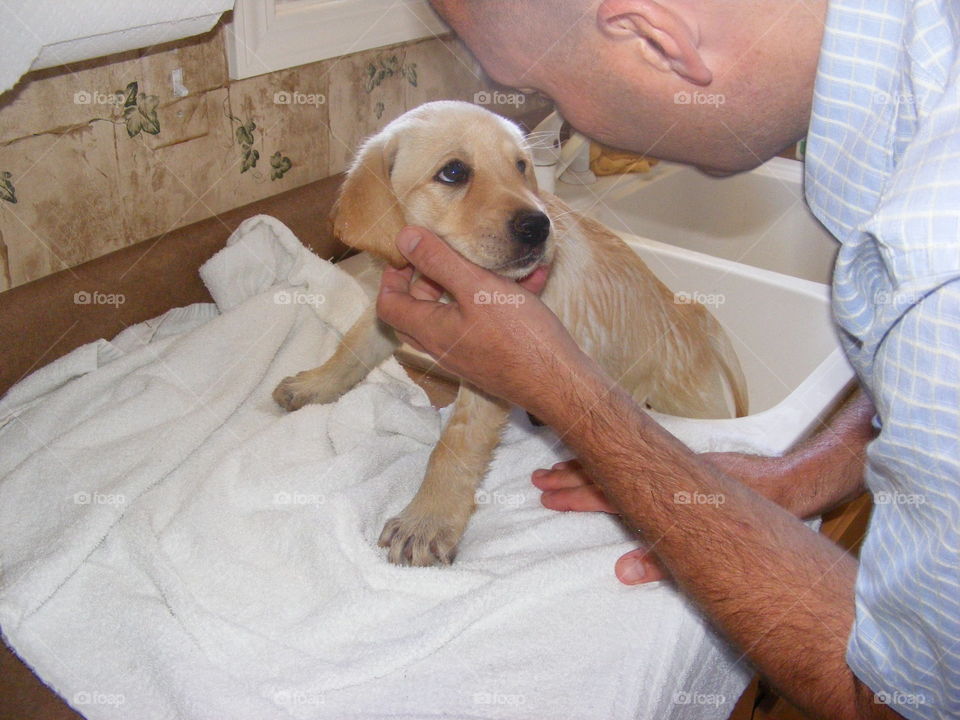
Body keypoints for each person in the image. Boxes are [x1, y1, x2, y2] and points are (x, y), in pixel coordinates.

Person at [375, 1, 960, 718]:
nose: (573, 129)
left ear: (653, 37)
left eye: (553, 96)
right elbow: (916, 383)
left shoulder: (940, 270)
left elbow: (893, 698)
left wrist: (572, 398)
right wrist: (799, 473)